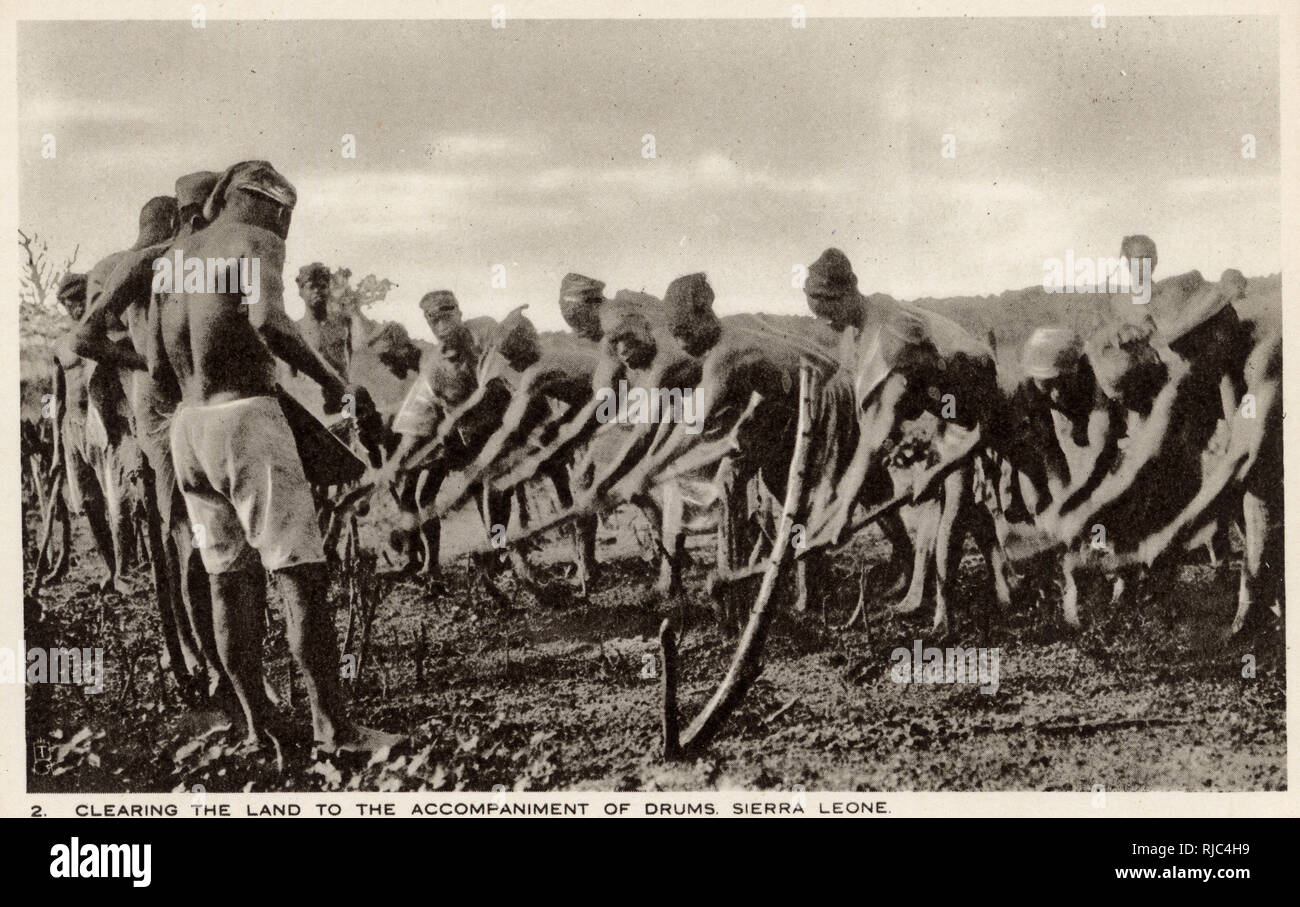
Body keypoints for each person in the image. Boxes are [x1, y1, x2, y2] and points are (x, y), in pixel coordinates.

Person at [156, 159, 397, 753]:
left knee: (226, 581)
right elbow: (270, 322)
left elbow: (159, 367)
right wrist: (333, 380)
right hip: (246, 421)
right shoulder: (253, 238)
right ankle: (334, 729)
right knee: (300, 576)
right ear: (274, 206)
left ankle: (257, 726)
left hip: (188, 428)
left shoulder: (174, 260)